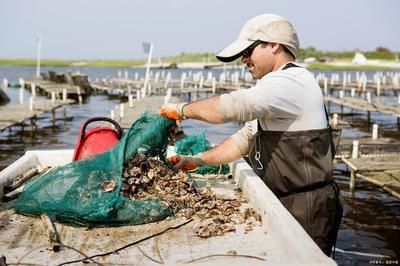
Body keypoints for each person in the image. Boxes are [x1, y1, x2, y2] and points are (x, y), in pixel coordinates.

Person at [160, 13, 342, 256]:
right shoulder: (274, 90)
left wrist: (181, 110)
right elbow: (242, 140)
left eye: (248, 51)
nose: (244, 59)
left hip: (306, 207)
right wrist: (198, 161)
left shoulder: (291, 82)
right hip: (282, 199)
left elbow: (232, 106)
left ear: (274, 45)